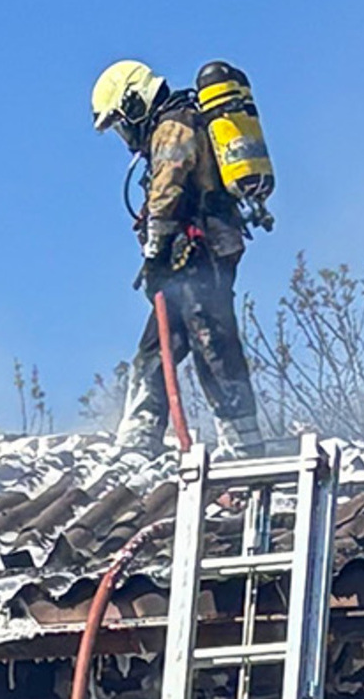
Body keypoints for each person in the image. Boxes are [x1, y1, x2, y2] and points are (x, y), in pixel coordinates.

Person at [93, 60, 268, 459]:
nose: (125, 136)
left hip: (200, 250)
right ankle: (139, 438)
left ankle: (244, 444)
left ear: (135, 104)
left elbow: (168, 187)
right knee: (158, 344)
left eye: (121, 123)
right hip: (190, 253)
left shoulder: (175, 124)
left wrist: (154, 247)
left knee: (211, 340)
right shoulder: (179, 121)